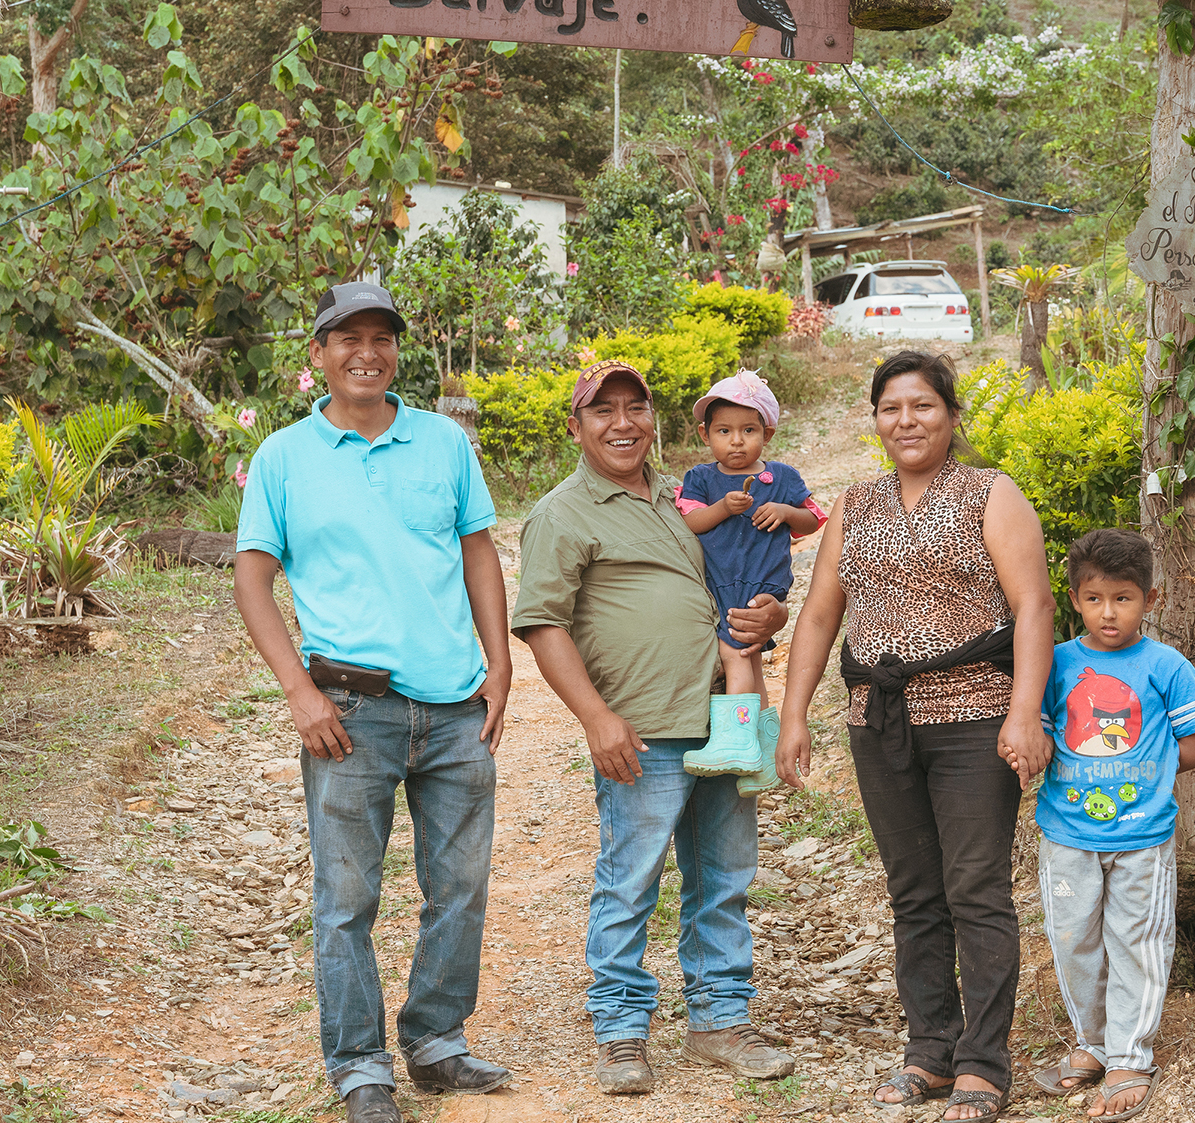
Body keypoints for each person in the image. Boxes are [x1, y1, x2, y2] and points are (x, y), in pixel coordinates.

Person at [233, 281, 515, 1123]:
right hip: (349, 714)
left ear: (397, 350)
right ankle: (359, 1065)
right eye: (346, 337)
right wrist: (299, 692)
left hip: (456, 706)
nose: (366, 352)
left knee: (459, 888)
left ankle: (434, 1041)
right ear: (317, 354)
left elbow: (479, 554)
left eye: (381, 337)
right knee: (347, 900)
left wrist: (500, 666)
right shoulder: (286, 456)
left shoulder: (443, 442)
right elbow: (252, 578)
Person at [776, 349, 1056, 1123]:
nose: (907, 420)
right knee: (915, 894)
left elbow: (1033, 607)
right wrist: (793, 711)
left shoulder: (990, 494)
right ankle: (929, 1051)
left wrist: (1023, 711)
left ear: (951, 416)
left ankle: (982, 1066)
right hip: (881, 722)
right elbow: (822, 615)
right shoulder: (856, 505)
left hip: (973, 716)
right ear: (875, 419)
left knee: (977, 890)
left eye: (923, 406)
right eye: (892, 408)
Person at [514, 359, 800, 1096]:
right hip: (640, 725)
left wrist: (773, 616)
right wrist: (596, 717)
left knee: (724, 875)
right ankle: (619, 1030)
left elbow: (738, 581)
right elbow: (544, 625)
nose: (621, 423)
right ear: (575, 427)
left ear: (654, 419)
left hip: (723, 713)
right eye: (601, 411)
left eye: (634, 407)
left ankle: (720, 1019)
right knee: (631, 879)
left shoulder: (683, 500)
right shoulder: (562, 512)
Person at [1025, 529, 1195, 1122]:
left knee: (1136, 942)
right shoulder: (1054, 664)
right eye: (1096, 598)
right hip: (1067, 834)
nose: (1109, 613)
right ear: (1076, 599)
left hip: (1141, 838)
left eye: (1124, 598)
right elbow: (1039, 729)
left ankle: (1130, 1056)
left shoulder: (1166, 666)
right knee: (1074, 940)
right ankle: (1091, 1045)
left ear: (1150, 600)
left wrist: (1142, 768)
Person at [674, 369, 822, 782]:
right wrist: (723, 507)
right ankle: (761, 751)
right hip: (720, 583)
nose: (736, 441)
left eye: (748, 430)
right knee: (752, 662)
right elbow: (692, 523)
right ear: (706, 435)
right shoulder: (701, 480)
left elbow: (812, 519)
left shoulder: (782, 478)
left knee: (735, 654)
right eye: (724, 431)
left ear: (767, 433)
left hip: (758, 584)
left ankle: (734, 742)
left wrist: (785, 512)